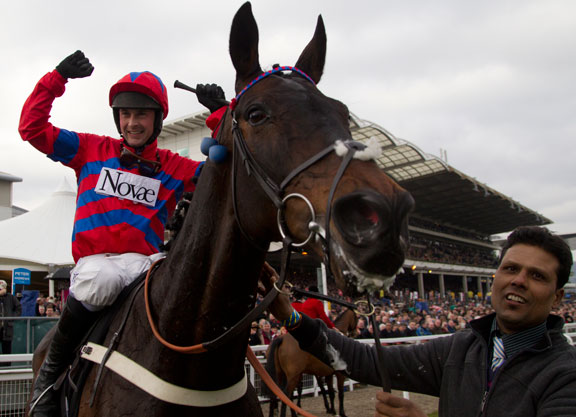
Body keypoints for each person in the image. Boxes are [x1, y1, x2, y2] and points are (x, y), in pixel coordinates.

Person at [19, 50, 226, 416]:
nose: (132, 122)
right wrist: (57, 78)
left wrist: (221, 115)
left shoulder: (174, 167)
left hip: (147, 265)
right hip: (97, 265)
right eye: (126, 114)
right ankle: (46, 383)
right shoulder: (89, 149)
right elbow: (32, 128)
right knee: (101, 279)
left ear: (157, 119)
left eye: (141, 114)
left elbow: (224, 178)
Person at [261, 226, 576, 416]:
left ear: (558, 297)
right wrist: (289, 316)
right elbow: (363, 359)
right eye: (511, 269)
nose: (518, 280)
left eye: (536, 276)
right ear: (497, 277)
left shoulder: (565, 377)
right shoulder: (461, 348)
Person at [0, 280, 22, 361]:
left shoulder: (11, 297)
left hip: (7, 327)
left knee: (7, 348)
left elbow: (18, 308)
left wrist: (12, 317)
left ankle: (7, 365)